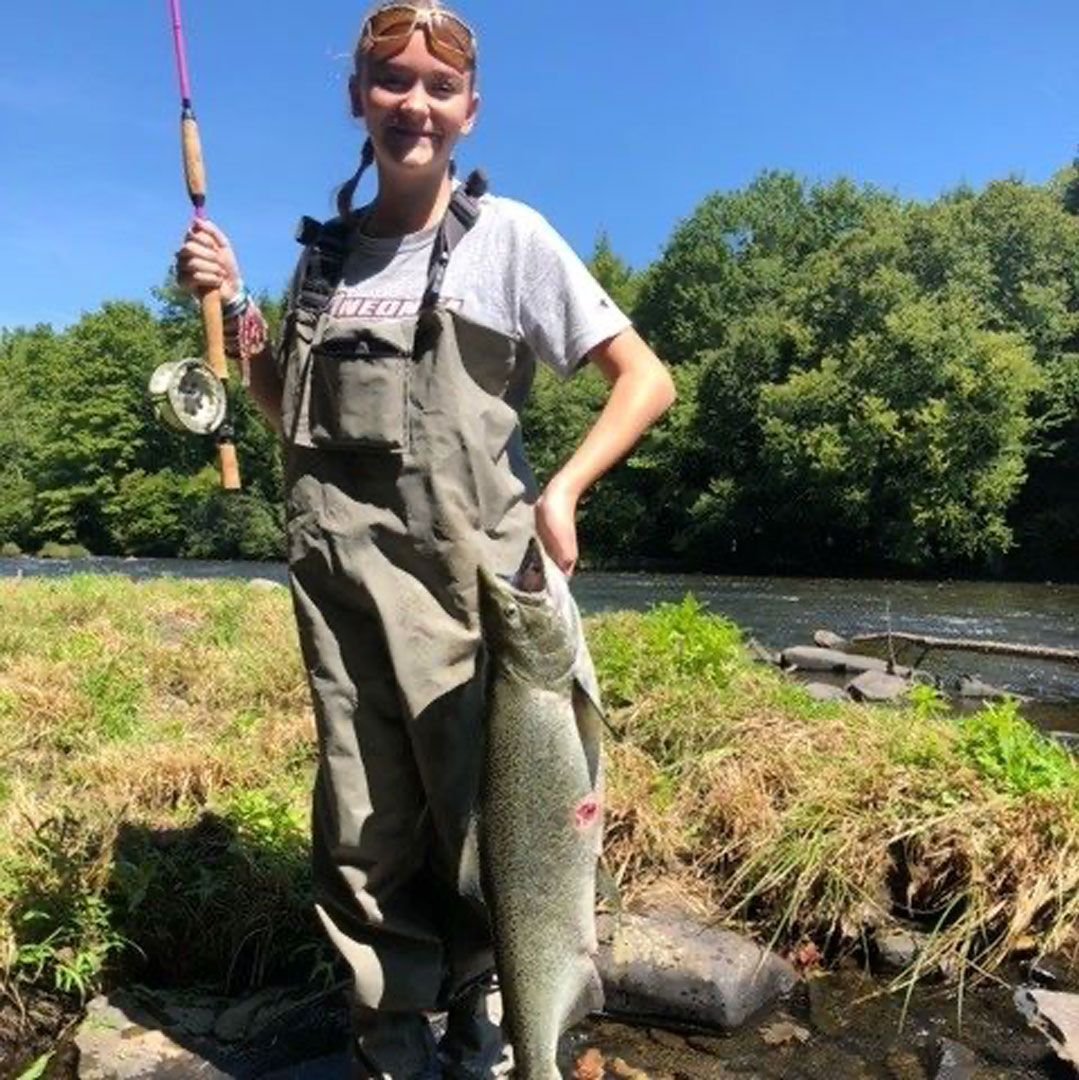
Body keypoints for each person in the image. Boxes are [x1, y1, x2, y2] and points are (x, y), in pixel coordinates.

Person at [176, 3, 675, 1077]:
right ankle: (391, 1040)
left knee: (484, 831)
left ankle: (491, 1031)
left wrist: (568, 491)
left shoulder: (513, 242)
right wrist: (238, 316)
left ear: (470, 110)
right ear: (358, 98)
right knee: (363, 827)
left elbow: (646, 378)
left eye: (438, 87)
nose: (415, 104)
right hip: (343, 603)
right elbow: (287, 414)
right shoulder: (324, 262)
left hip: (476, 602)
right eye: (392, 81)